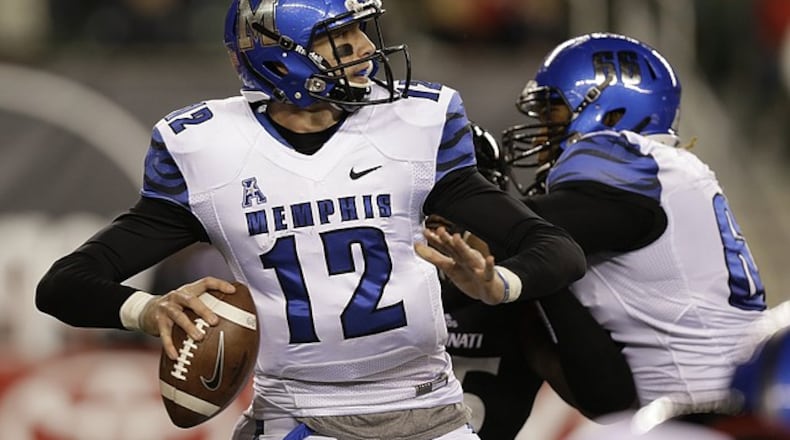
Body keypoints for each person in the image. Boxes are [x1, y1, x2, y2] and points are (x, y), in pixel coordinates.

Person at [34, 1, 587, 439]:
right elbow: (63, 286)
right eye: (341, 38)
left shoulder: (413, 125)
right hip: (297, 416)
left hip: (428, 411)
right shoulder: (210, 149)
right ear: (283, 56)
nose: (368, 49)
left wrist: (498, 283)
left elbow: (556, 248)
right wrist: (147, 310)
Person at [420, 32, 772, 436]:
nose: (538, 136)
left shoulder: (637, 161)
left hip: (709, 418)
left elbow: (520, 229)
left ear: (610, 114)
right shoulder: (655, 190)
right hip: (679, 413)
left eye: (551, 115)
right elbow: (607, 400)